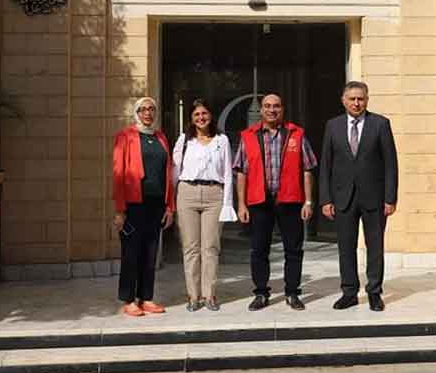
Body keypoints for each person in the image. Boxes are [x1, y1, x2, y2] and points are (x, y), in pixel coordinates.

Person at [319, 81, 398, 312]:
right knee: (346, 247)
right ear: (343, 100)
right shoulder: (332, 126)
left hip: (375, 198)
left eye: (360, 99)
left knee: (375, 246)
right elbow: (326, 165)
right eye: (352, 99)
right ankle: (349, 292)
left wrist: (390, 198)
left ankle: (374, 292)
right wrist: (325, 199)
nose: (356, 103)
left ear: (367, 100)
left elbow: (390, 164)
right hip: (343, 198)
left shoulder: (380, 124)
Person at [233, 93, 316, 311]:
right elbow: (241, 172)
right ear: (261, 110)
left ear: (282, 109)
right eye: (267, 106)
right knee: (259, 250)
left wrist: (308, 201)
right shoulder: (248, 136)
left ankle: (292, 293)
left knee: (294, 249)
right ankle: (261, 293)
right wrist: (241, 204)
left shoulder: (297, 134)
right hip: (259, 201)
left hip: (290, 200)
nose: (272, 110)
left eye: (276, 106)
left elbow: (307, 169)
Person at [173, 99, 238, 312]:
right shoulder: (184, 141)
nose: (201, 118)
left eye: (204, 113)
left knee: (210, 247)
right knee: (191, 248)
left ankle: (209, 294)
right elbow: (174, 173)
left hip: (214, 195)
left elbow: (228, 173)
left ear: (211, 116)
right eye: (196, 115)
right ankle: (193, 295)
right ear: (191, 119)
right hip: (187, 193)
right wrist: (170, 203)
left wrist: (228, 202)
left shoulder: (222, 140)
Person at [112, 96, 175, 317]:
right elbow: (119, 174)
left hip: (156, 203)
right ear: (137, 113)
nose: (148, 113)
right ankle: (129, 299)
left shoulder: (160, 138)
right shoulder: (126, 136)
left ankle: (146, 297)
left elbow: (168, 173)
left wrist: (169, 207)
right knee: (131, 252)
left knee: (150, 252)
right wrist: (120, 210)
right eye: (143, 109)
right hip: (133, 204)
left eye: (151, 109)